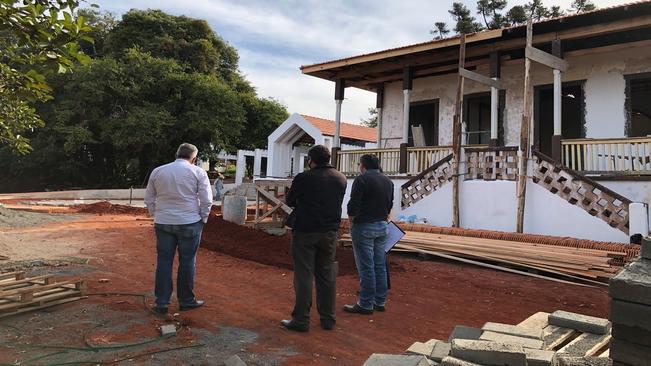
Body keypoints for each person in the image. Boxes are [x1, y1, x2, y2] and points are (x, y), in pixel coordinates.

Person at [281, 145, 347, 332]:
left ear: (311, 159)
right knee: (327, 275)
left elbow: (290, 201)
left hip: (305, 232)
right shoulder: (341, 178)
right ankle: (328, 319)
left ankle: (301, 320)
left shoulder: (304, 178)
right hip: (329, 233)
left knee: (304, 275)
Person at [144, 143, 213, 314]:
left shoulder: (158, 171)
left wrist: (157, 214)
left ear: (176, 154)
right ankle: (186, 301)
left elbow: (149, 198)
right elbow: (207, 200)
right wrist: (202, 218)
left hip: (163, 222)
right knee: (187, 261)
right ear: (194, 158)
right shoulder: (198, 172)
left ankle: (162, 303)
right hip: (189, 222)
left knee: (164, 261)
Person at [344, 154, 394, 315]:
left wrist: (351, 221)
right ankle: (379, 301)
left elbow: (353, 204)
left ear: (362, 166)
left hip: (364, 226)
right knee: (379, 265)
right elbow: (389, 204)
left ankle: (365, 303)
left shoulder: (362, 180)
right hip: (382, 226)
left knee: (366, 266)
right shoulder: (388, 181)